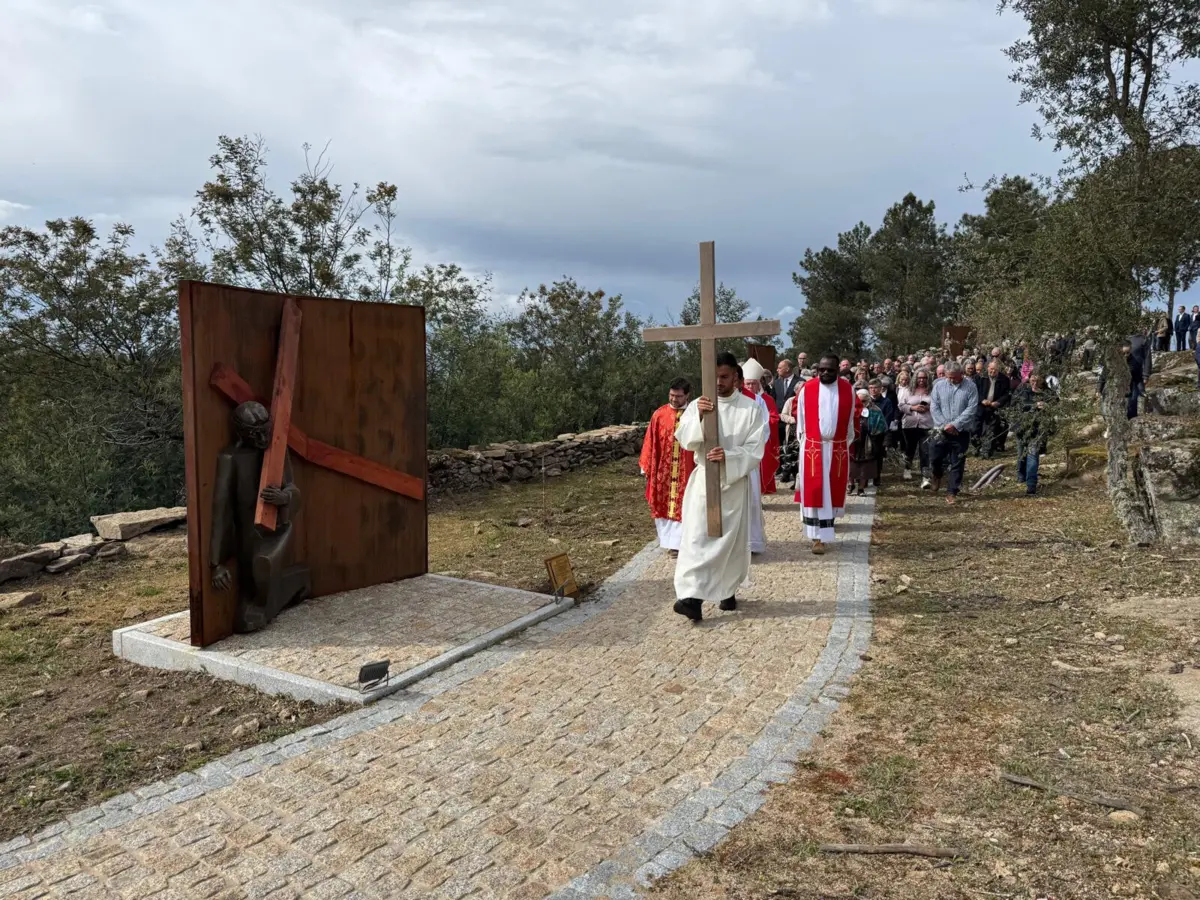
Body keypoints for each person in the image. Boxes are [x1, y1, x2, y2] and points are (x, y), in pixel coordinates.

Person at [672, 352, 767, 621]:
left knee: (728, 542)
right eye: (713, 377)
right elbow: (686, 440)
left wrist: (730, 456)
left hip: (733, 483)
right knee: (697, 539)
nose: (717, 382)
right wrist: (699, 418)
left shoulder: (750, 409)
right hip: (703, 481)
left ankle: (726, 589)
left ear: (736, 377)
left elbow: (755, 447)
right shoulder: (699, 405)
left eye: (724, 377)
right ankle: (691, 597)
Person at [794, 353, 861, 555]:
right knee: (814, 490)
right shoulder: (808, 388)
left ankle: (826, 529)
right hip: (813, 447)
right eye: (821, 369)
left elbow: (850, 422)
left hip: (837, 447)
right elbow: (801, 420)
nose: (824, 373)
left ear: (838, 370)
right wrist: (807, 442)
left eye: (830, 370)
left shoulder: (848, 390)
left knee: (830, 491)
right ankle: (816, 537)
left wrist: (841, 442)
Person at [638, 377, 696, 557]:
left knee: (688, 504)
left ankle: (686, 542)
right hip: (663, 471)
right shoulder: (659, 415)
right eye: (671, 395)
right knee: (664, 506)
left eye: (678, 396)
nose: (674, 399)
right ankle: (671, 543)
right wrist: (646, 466)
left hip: (688, 470)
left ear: (687, 395)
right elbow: (650, 440)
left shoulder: (694, 414)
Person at [740, 359, 776, 554]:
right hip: (728, 459)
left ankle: (752, 542)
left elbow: (764, 429)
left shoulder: (758, 401)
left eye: (752, 383)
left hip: (748, 458)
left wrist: (747, 448)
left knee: (752, 499)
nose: (748, 386)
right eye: (746, 383)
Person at [929, 361, 978, 505]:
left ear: (961, 374)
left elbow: (971, 408)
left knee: (957, 461)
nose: (950, 380)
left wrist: (955, 424)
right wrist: (945, 425)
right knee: (935, 456)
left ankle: (952, 492)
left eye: (953, 377)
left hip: (961, 431)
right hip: (941, 430)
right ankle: (937, 474)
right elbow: (934, 407)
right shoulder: (939, 385)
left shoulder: (970, 387)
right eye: (948, 377)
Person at [1013, 371, 1056, 496]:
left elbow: (1056, 403)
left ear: (1042, 380)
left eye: (1038, 380)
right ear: (1029, 378)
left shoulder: (1047, 393)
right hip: (1022, 428)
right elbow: (1018, 404)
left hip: (1038, 430)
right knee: (1021, 454)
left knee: (1033, 454)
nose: (1035, 382)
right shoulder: (1023, 390)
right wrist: (1035, 405)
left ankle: (1031, 485)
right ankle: (1021, 475)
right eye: (1033, 379)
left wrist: (1047, 405)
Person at [898, 369, 934, 487]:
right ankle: (907, 468)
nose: (921, 380)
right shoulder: (908, 390)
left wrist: (929, 407)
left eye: (924, 378)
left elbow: (937, 404)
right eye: (919, 378)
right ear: (915, 379)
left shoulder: (932, 391)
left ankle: (925, 476)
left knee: (925, 451)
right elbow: (901, 406)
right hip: (910, 424)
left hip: (926, 424)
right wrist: (913, 408)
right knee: (910, 448)